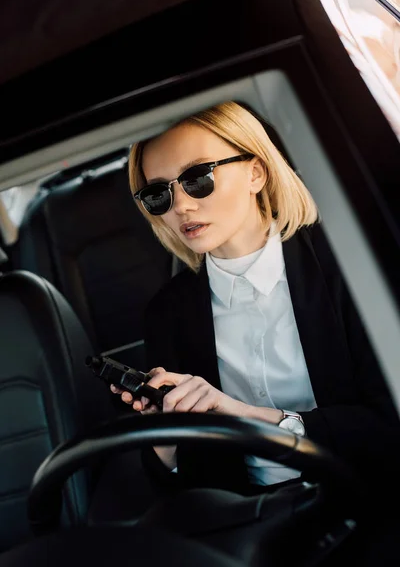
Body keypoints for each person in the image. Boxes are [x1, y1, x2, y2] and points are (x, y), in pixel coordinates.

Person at [111, 101, 400, 503]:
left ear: (255, 172)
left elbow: (389, 423)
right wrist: (165, 436)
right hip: (246, 522)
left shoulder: (350, 264)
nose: (180, 206)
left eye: (197, 178)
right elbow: (175, 485)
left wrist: (247, 416)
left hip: (368, 498)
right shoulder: (167, 314)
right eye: (158, 194)